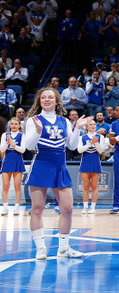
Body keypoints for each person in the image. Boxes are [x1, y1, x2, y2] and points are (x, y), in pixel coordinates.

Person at [25, 86, 93, 260]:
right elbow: (29, 146)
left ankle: (63, 248)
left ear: (56, 101)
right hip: (41, 164)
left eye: (50, 97)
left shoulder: (65, 121)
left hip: (59, 166)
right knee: (38, 208)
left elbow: (72, 146)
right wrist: (39, 132)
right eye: (43, 98)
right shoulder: (33, 120)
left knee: (68, 209)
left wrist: (77, 128)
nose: (47, 100)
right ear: (39, 101)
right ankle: (40, 248)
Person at [77, 120, 104, 215]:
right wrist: (90, 143)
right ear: (86, 127)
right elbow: (80, 150)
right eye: (91, 124)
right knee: (85, 186)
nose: (93, 125)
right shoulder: (82, 137)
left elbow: (101, 151)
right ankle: (85, 207)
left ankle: (92, 207)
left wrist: (95, 142)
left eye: (94, 124)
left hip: (95, 162)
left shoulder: (101, 137)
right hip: (85, 162)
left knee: (94, 186)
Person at [0, 117, 25, 216]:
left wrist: (13, 145)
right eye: (12, 124)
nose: (14, 126)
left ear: (19, 125)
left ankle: (16, 208)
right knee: (5, 186)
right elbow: (2, 149)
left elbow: (23, 150)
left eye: (16, 124)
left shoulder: (22, 135)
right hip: (7, 160)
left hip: (18, 160)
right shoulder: (5, 135)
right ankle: (5, 208)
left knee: (17, 186)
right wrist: (7, 142)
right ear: (9, 125)